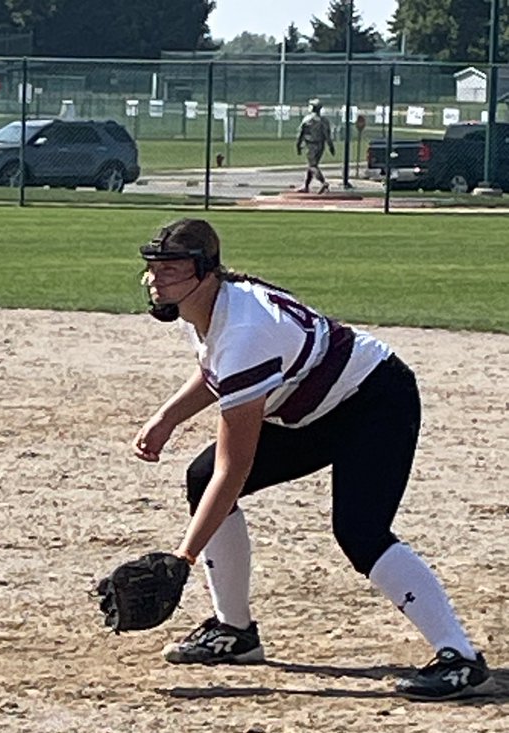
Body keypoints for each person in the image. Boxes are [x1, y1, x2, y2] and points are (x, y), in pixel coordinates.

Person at [131, 218, 494, 701]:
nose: (156, 279)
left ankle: (462, 661)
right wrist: (167, 417)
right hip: (318, 408)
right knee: (201, 478)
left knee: (360, 531)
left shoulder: (244, 329)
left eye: (170, 268)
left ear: (204, 271)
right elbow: (215, 370)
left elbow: (233, 467)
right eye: (152, 268)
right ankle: (235, 632)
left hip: (375, 402)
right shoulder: (214, 308)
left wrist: (183, 557)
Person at [296, 99, 335, 194]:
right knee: (312, 166)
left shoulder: (307, 119)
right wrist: (331, 146)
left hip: (311, 145)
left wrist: (298, 145)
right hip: (321, 145)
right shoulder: (324, 121)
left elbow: (300, 134)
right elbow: (327, 136)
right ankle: (306, 186)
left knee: (312, 166)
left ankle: (323, 183)